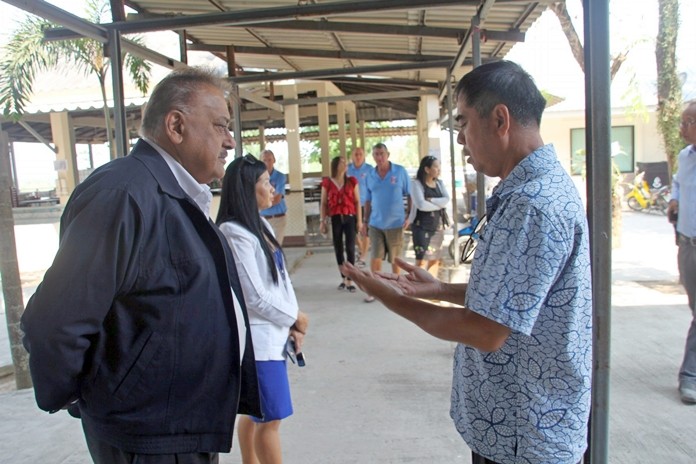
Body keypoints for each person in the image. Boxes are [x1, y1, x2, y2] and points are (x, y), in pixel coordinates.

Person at [344, 60, 592, 464]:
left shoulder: (533, 206)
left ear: (499, 120)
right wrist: (440, 289)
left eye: (463, 123)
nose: (460, 139)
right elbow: (518, 299)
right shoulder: (530, 192)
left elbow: (487, 330)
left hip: (524, 433)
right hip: (515, 426)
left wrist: (389, 295)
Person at [20, 67, 261, 463]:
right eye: (220, 126)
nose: (230, 141)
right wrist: (87, 396)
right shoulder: (122, 194)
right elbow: (55, 321)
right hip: (146, 436)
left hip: (181, 426)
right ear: (176, 125)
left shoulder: (173, 193)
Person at [216, 154, 309, 464]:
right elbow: (254, 295)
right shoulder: (234, 232)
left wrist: (294, 323)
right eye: (266, 182)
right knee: (270, 420)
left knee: (258, 414)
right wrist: (292, 317)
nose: (273, 188)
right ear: (246, 188)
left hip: (273, 335)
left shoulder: (260, 225)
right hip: (258, 344)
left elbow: (281, 281)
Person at [667, 100, 696, 405]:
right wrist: (675, 199)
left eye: (689, 122)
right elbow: (677, 182)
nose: (683, 127)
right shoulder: (685, 158)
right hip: (688, 244)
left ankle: (690, 375)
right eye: (683, 121)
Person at [361, 142, 412, 302]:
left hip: (396, 223)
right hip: (376, 222)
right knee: (375, 256)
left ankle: (396, 288)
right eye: (376, 154)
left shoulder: (399, 171)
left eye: (382, 153)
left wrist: (408, 216)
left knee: (395, 258)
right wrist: (365, 221)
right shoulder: (370, 175)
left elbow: (410, 195)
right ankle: (376, 289)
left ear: (388, 154)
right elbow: (367, 201)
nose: (379, 157)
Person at [320, 156, 362, 292]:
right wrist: (322, 221)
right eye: (341, 163)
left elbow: (357, 202)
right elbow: (324, 203)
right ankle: (343, 277)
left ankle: (350, 279)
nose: (345, 165)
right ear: (335, 165)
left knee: (350, 247)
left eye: (345, 163)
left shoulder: (351, 181)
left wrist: (359, 220)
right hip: (335, 217)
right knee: (338, 248)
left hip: (349, 217)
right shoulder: (327, 183)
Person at [407, 155, 450, 276]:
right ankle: (418, 288)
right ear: (427, 169)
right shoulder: (416, 184)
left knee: (435, 259)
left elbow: (446, 199)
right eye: (436, 166)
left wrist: (431, 200)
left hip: (437, 227)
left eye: (439, 166)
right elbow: (421, 205)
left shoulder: (439, 183)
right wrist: (439, 204)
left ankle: (432, 288)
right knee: (421, 260)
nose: (439, 169)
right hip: (421, 227)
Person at [347, 147, 374, 266]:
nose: (358, 157)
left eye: (360, 154)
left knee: (365, 231)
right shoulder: (347, 170)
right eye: (355, 154)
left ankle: (363, 257)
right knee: (352, 232)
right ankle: (362, 248)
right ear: (352, 156)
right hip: (350, 205)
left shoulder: (370, 169)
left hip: (365, 204)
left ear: (364, 156)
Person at [260, 149, 288, 245]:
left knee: (275, 247)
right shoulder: (257, 177)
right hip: (262, 218)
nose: (267, 163)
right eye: (264, 160)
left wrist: (261, 203)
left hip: (277, 218)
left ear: (274, 160)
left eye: (269, 159)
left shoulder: (280, 177)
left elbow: (277, 199)